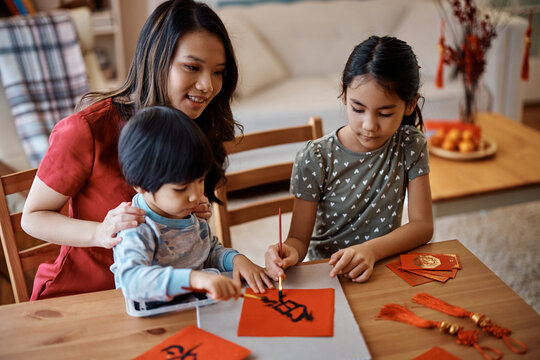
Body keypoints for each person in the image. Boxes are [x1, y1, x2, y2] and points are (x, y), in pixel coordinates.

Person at [21, 0, 270, 300]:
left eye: (218, 72)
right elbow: (32, 217)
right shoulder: (86, 130)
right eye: (192, 67)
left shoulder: (197, 123)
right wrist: (99, 233)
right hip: (83, 296)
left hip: (167, 299)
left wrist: (190, 208)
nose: (208, 85)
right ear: (156, 59)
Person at [265, 36, 434, 283]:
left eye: (385, 113)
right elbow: (299, 241)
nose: (369, 125)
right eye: (358, 109)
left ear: (410, 105)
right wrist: (288, 252)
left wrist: (371, 251)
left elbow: (422, 226)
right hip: (329, 275)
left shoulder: (410, 143)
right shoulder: (316, 157)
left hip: (383, 268)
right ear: (343, 94)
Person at [112, 106, 265, 301]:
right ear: (140, 186)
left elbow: (207, 252)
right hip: (157, 323)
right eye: (181, 189)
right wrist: (194, 279)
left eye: (200, 180)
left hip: (195, 310)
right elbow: (132, 281)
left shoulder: (190, 210)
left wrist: (236, 259)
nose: (196, 195)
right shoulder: (137, 227)